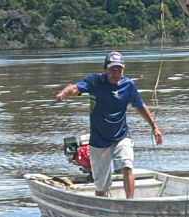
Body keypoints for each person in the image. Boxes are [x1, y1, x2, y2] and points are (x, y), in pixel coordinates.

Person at [55, 51, 163, 199]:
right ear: (105, 68)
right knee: (101, 186)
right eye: (112, 69)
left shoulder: (128, 85)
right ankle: (102, 205)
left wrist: (154, 127)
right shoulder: (94, 82)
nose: (116, 73)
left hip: (121, 136)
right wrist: (64, 93)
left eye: (119, 69)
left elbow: (140, 106)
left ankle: (131, 202)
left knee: (127, 165)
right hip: (99, 141)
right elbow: (74, 88)